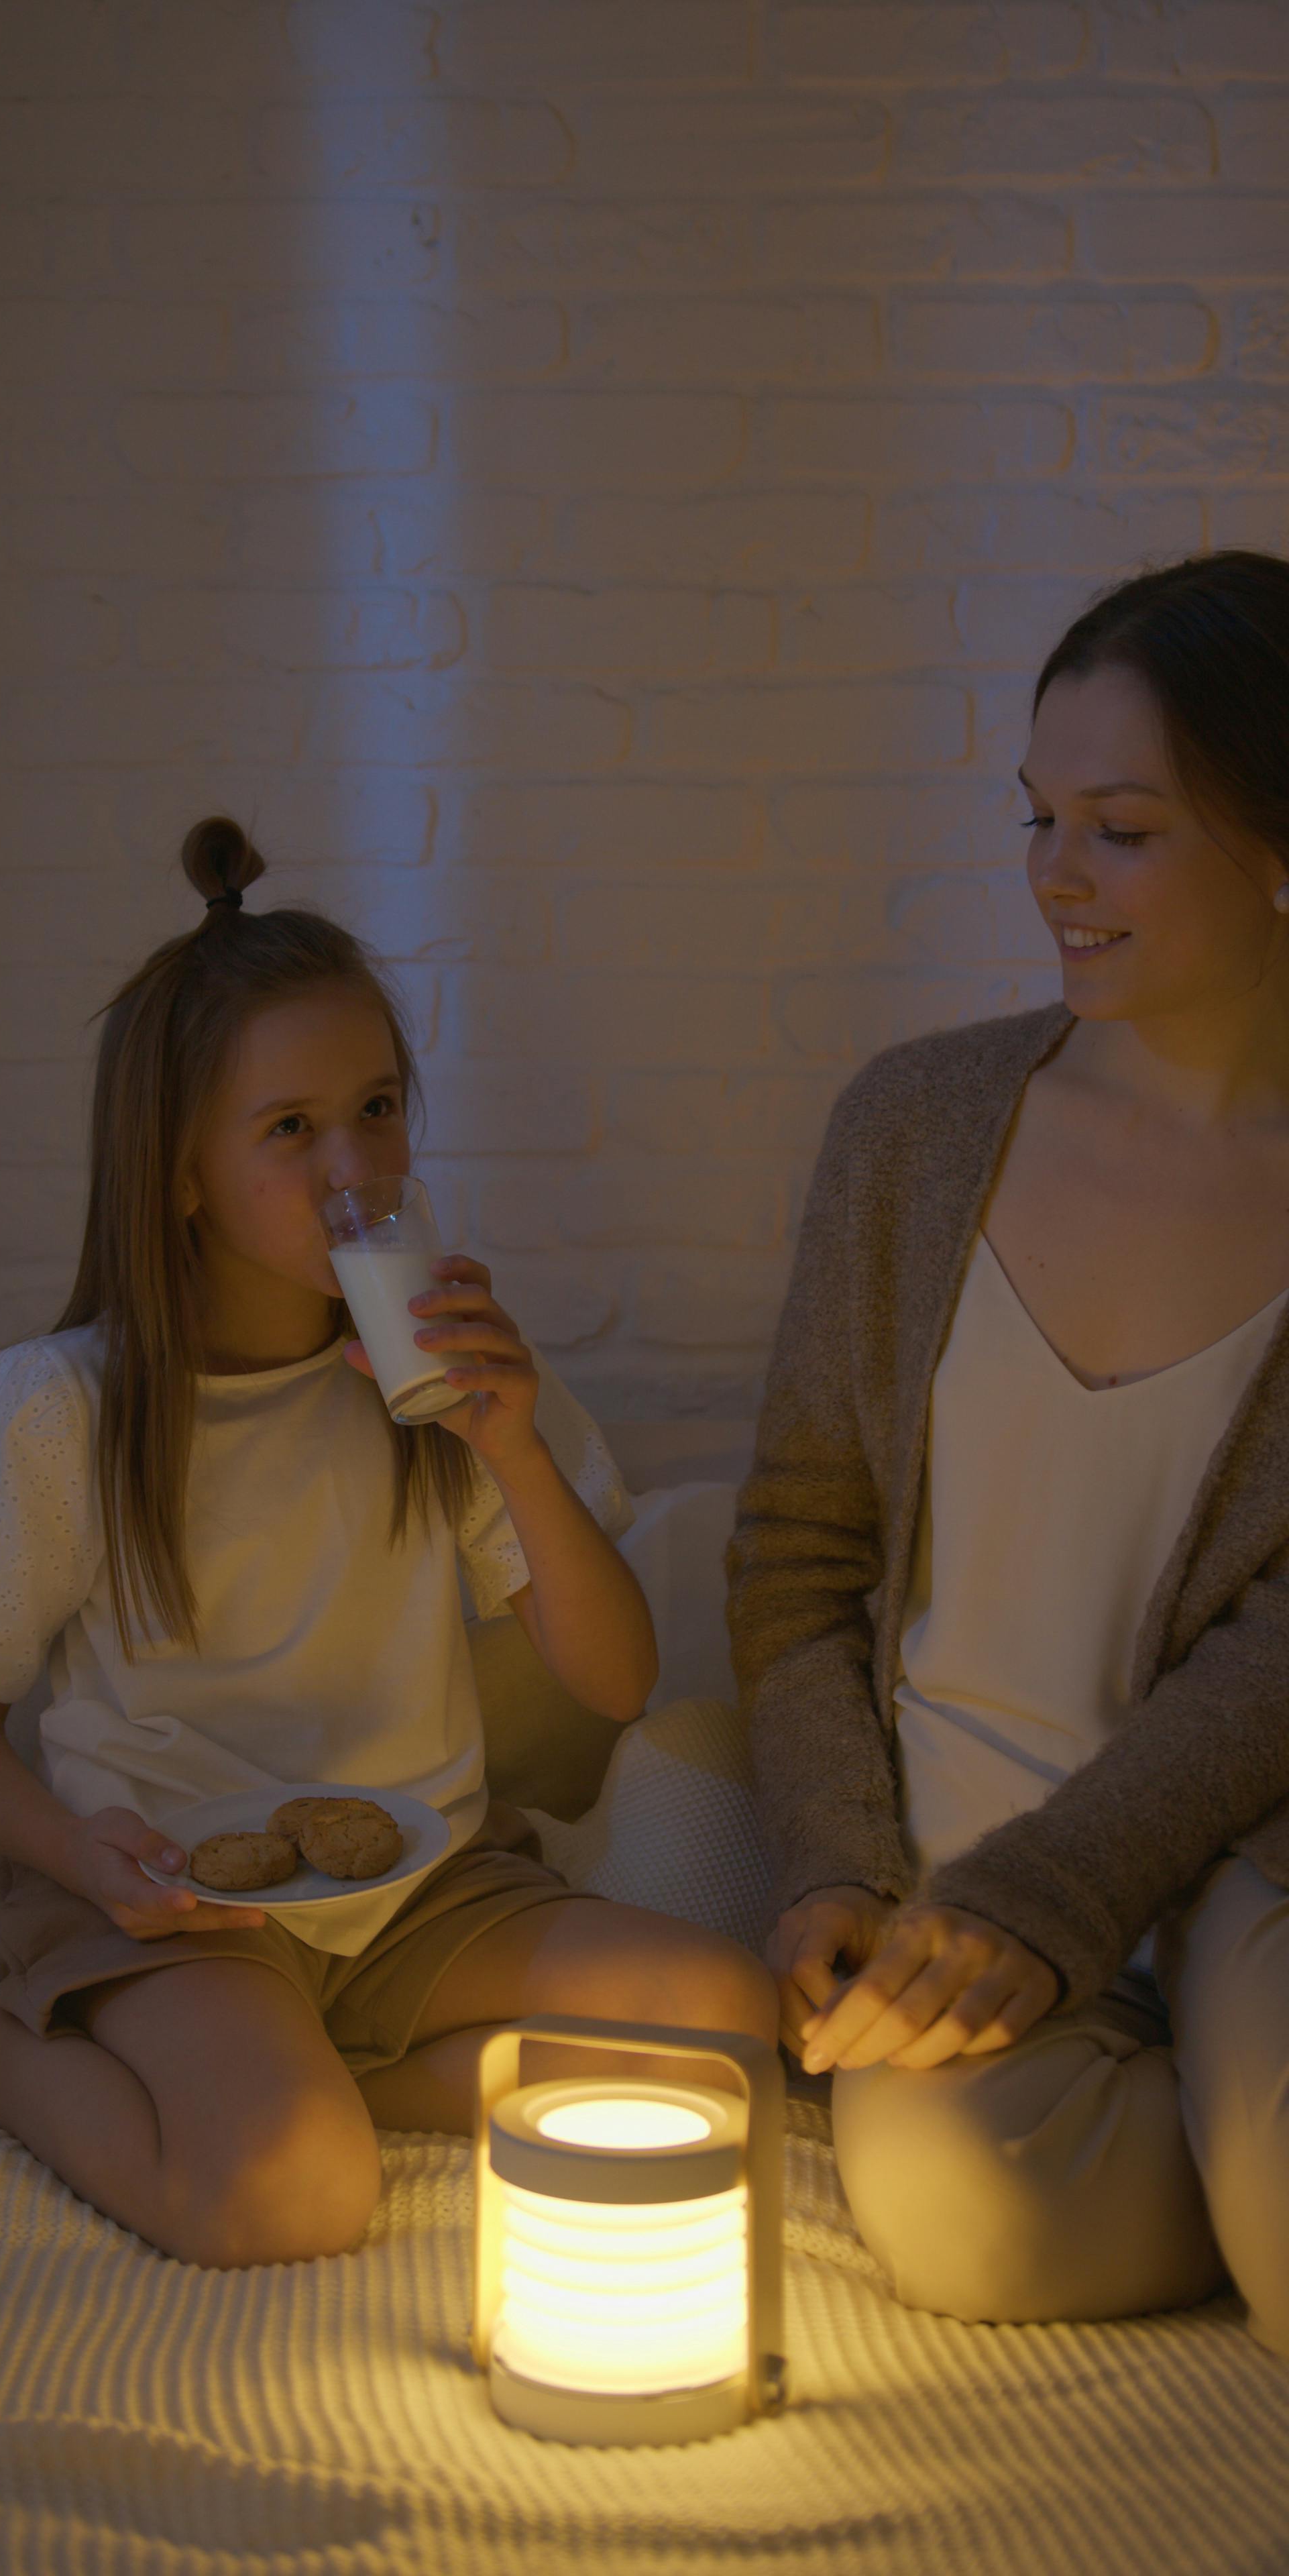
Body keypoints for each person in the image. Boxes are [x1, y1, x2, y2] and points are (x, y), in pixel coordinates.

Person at [0, 817, 774, 2268]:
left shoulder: (435, 1381)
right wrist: (73, 1852)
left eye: (377, 1110)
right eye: (291, 1131)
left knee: (730, 2022)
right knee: (293, 2199)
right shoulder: (62, 1415)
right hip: (184, 1902)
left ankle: (336, 2079)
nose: (354, 1164)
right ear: (183, 1175)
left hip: (423, 1884)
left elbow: (615, 1684)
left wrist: (514, 1445)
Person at [728, 549, 1289, 2355]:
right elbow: (799, 1554)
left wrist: (1073, 1898)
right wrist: (834, 1867)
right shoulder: (916, 1129)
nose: (1054, 877)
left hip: (1231, 1854)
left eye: (1120, 830)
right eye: (1039, 818)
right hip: (949, 1902)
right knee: (979, 2228)